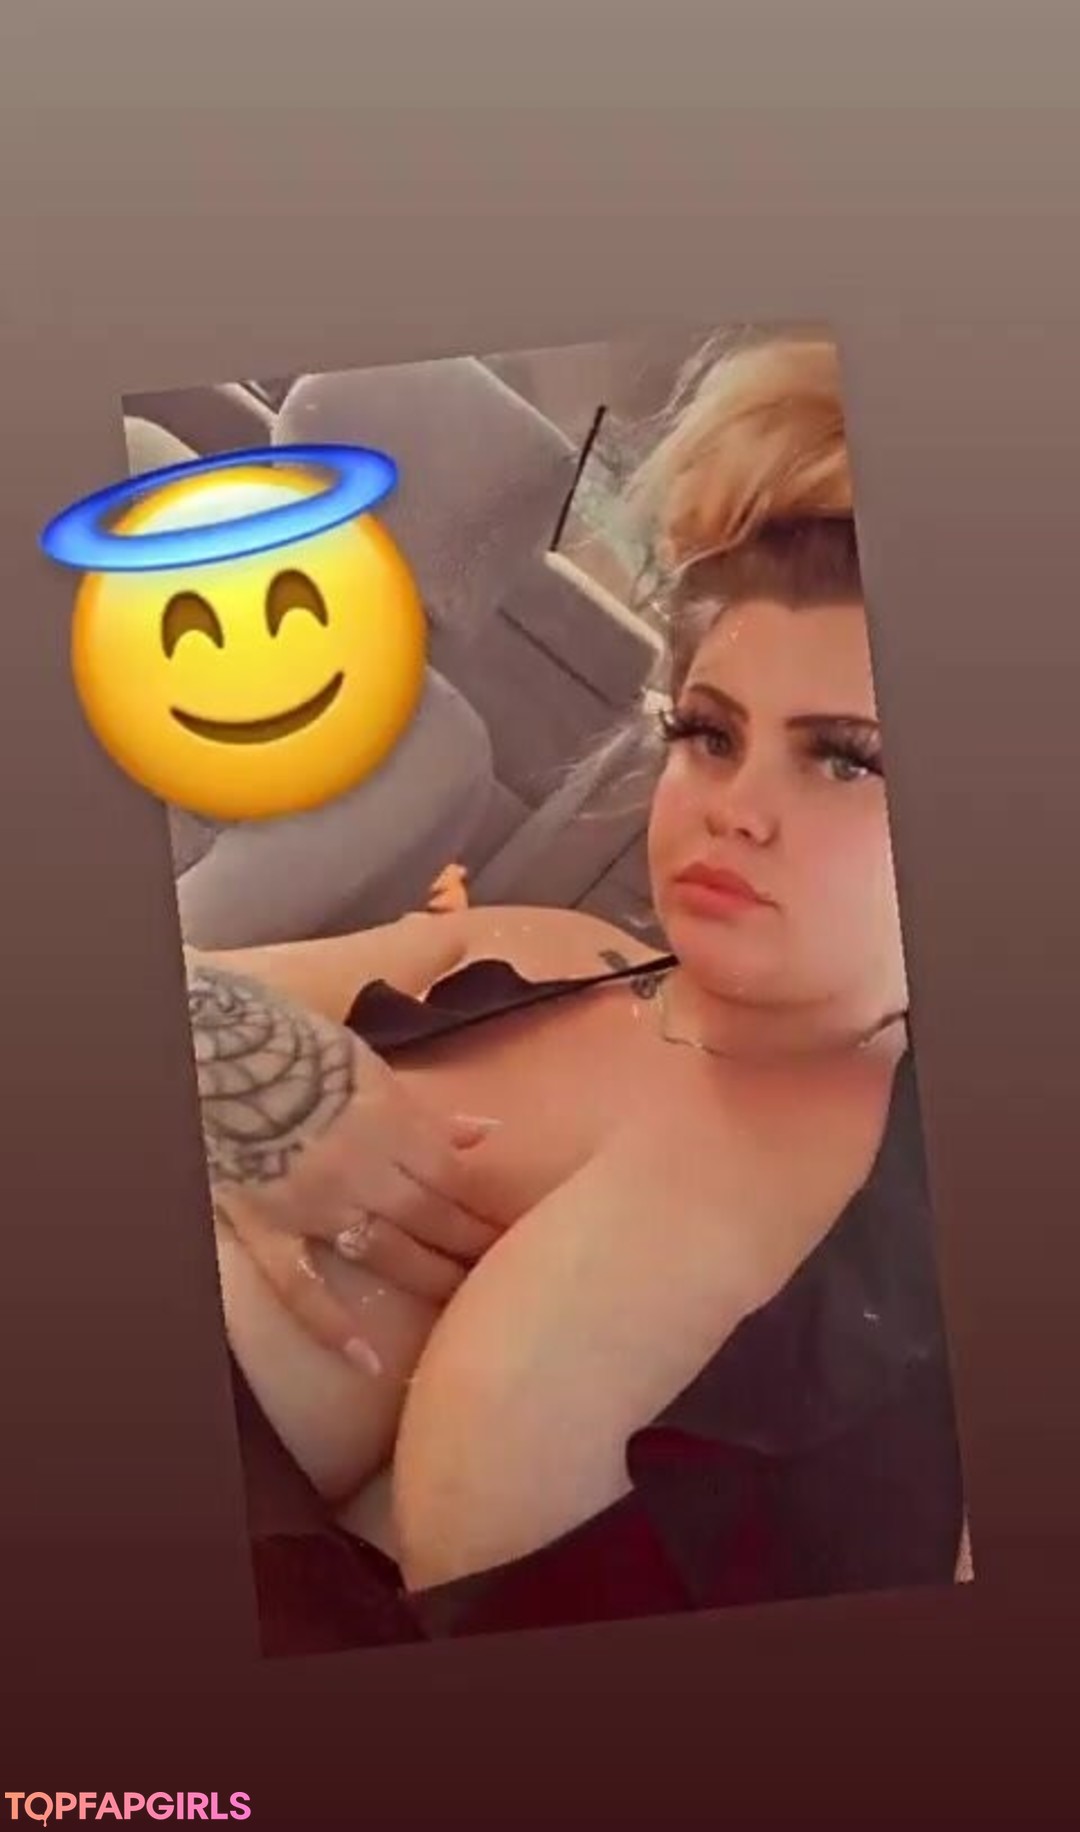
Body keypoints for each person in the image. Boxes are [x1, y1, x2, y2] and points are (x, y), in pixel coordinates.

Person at [192, 332, 968, 1654]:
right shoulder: (544, 954)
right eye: (709, 735)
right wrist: (254, 1086)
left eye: (846, 761)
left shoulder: (916, 1261)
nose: (734, 809)